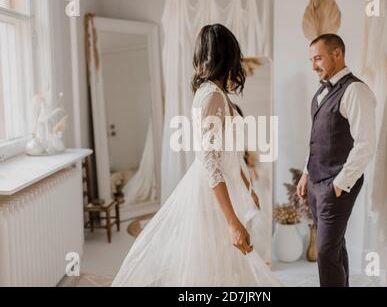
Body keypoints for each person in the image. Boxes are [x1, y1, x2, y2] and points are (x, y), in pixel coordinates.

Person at [111, 24, 282, 287]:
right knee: (212, 265)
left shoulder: (216, 93)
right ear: (228, 55)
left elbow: (229, 152)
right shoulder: (212, 97)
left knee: (227, 266)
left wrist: (248, 187)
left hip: (227, 187)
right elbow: (210, 162)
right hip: (212, 195)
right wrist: (233, 221)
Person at [296, 34, 376, 287]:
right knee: (335, 246)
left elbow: (365, 144)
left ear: (337, 54)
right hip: (315, 182)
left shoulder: (356, 90)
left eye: (318, 58)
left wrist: (339, 184)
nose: (313, 66)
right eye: (311, 60)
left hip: (336, 184)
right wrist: (306, 173)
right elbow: (316, 138)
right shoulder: (321, 91)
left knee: (326, 251)